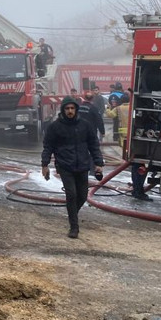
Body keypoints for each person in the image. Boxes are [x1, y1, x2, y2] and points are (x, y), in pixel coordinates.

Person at [41, 96, 104, 239]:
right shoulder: (55, 127)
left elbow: (94, 145)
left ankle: (72, 213)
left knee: (82, 195)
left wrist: (98, 163)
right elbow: (48, 147)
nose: (70, 111)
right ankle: (74, 227)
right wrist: (44, 165)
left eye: (72, 108)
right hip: (65, 166)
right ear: (63, 110)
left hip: (82, 165)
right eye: (67, 108)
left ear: (76, 109)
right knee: (71, 194)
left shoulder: (85, 125)